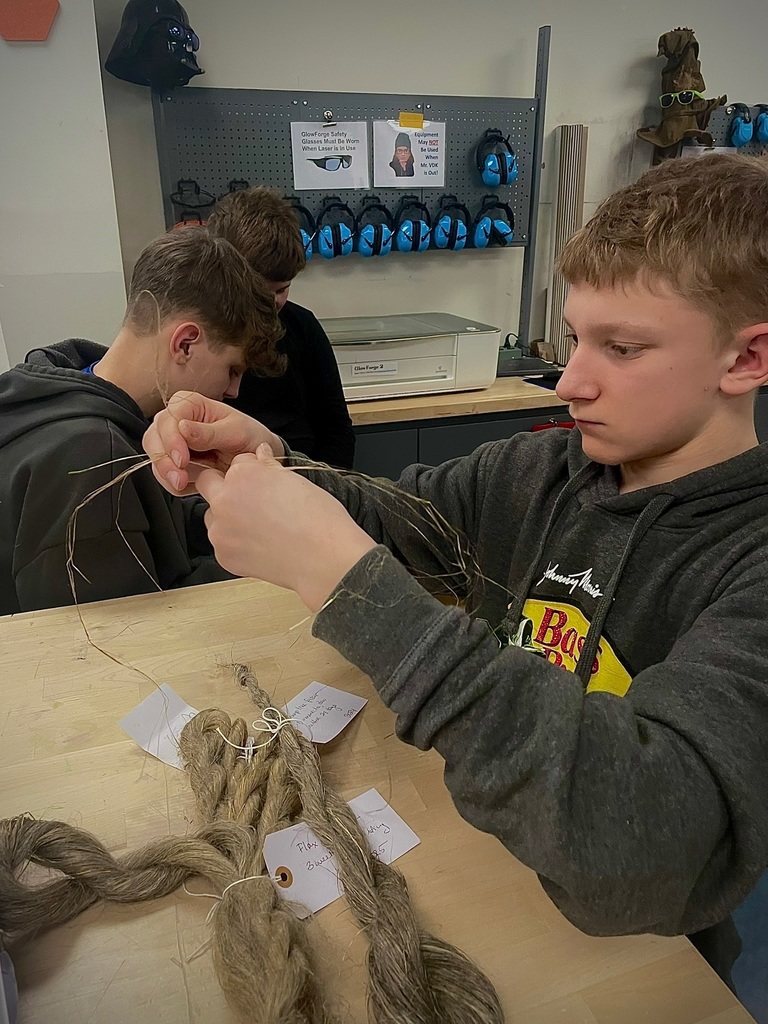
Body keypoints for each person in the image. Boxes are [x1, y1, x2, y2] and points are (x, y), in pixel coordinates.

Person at [143, 154, 768, 988]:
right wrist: (273, 463)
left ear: (747, 358)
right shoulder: (536, 472)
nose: (571, 380)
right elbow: (398, 522)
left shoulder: (749, 564)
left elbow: (652, 848)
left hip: (648, 960)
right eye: (575, 337)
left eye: (622, 348)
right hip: (495, 869)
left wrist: (352, 588)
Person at [0, 227, 282, 614]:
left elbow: (159, 529)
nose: (233, 391)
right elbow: (125, 627)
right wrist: (274, 557)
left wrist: (226, 513)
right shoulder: (90, 453)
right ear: (185, 343)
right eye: (232, 370)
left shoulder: (63, 388)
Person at [206, 187, 355, 469]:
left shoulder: (303, 327)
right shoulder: (201, 337)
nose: (272, 303)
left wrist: (324, 484)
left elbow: (337, 430)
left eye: (281, 290)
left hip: (302, 472)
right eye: (259, 292)